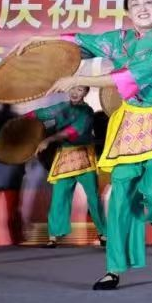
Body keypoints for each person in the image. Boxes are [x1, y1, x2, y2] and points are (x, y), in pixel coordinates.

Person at [13, 0, 152, 290]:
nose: (142, 8)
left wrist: (78, 78)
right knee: (120, 192)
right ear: (128, 12)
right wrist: (41, 41)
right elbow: (80, 42)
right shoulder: (119, 40)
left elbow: (130, 77)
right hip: (130, 122)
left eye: (148, 2)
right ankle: (113, 268)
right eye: (135, 3)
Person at [26, 85, 106, 248]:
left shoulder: (87, 112)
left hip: (84, 157)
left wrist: (49, 139)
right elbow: (42, 113)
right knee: (58, 197)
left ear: (86, 93)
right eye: (73, 89)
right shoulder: (61, 107)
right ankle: (53, 236)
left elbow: (72, 131)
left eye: (80, 90)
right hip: (65, 157)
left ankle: (103, 233)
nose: (75, 93)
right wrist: (23, 120)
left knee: (93, 197)